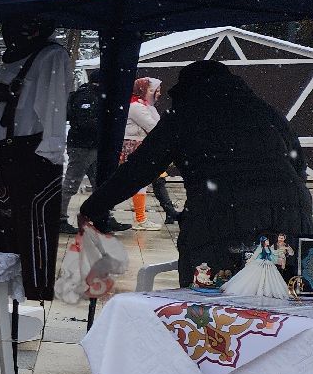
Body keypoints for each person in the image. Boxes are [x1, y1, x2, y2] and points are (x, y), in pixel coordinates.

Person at [82, 59, 313, 277]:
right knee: (286, 291)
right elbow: (298, 166)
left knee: (212, 299)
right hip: (291, 213)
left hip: (219, 213)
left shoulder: (185, 114)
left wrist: (92, 208)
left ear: (186, 88)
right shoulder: (267, 111)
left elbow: (139, 169)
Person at [0, 19, 72, 302]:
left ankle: (34, 296)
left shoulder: (51, 55)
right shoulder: (13, 57)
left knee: (34, 230)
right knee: (0, 231)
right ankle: (1, 294)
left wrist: (51, 155)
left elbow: (54, 109)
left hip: (31, 157)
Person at [124, 76, 182, 229]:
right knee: (139, 183)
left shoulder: (145, 105)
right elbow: (153, 126)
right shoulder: (136, 107)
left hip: (143, 144)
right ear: (142, 90)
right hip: (136, 146)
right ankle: (140, 219)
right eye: (152, 90)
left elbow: (157, 123)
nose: (156, 93)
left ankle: (156, 214)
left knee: (147, 181)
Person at [61, 72, 104, 234]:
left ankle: (102, 215)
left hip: (88, 145)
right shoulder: (87, 97)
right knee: (71, 183)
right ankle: (60, 218)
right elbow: (86, 122)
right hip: (83, 147)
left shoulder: (87, 95)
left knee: (99, 183)